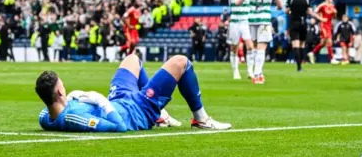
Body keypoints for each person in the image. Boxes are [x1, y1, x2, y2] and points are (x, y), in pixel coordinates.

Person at [36, 54, 230, 132]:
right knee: (180, 62)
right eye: (64, 86)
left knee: (132, 58)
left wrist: (73, 98)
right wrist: (99, 99)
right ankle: (201, 119)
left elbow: (51, 111)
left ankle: (160, 116)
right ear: (60, 91)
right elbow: (119, 127)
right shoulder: (73, 118)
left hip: (120, 99)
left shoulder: (45, 116)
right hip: (136, 110)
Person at [247, 0, 283, 84]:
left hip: (251, 19)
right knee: (262, 48)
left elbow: (239, 1)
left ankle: (257, 72)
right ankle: (257, 75)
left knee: (256, 47)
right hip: (264, 19)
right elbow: (280, 5)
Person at [221, 0, 253, 79]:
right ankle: (235, 71)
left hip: (245, 22)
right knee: (234, 48)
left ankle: (250, 71)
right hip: (234, 22)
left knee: (250, 46)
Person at [286, 0, 323, 72]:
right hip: (303, 23)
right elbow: (310, 11)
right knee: (302, 44)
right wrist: (320, 18)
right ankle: (302, 63)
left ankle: (298, 67)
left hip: (293, 23)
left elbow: (286, 11)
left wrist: (291, 12)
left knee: (295, 44)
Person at [308, 0, 337, 64]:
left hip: (329, 26)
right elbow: (312, 12)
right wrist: (320, 18)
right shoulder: (322, 5)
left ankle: (312, 53)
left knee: (323, 43)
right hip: (323, 26)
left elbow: (334, 16)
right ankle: (332, 59)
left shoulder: (333, 6)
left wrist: (335, 13)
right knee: (329, 41)